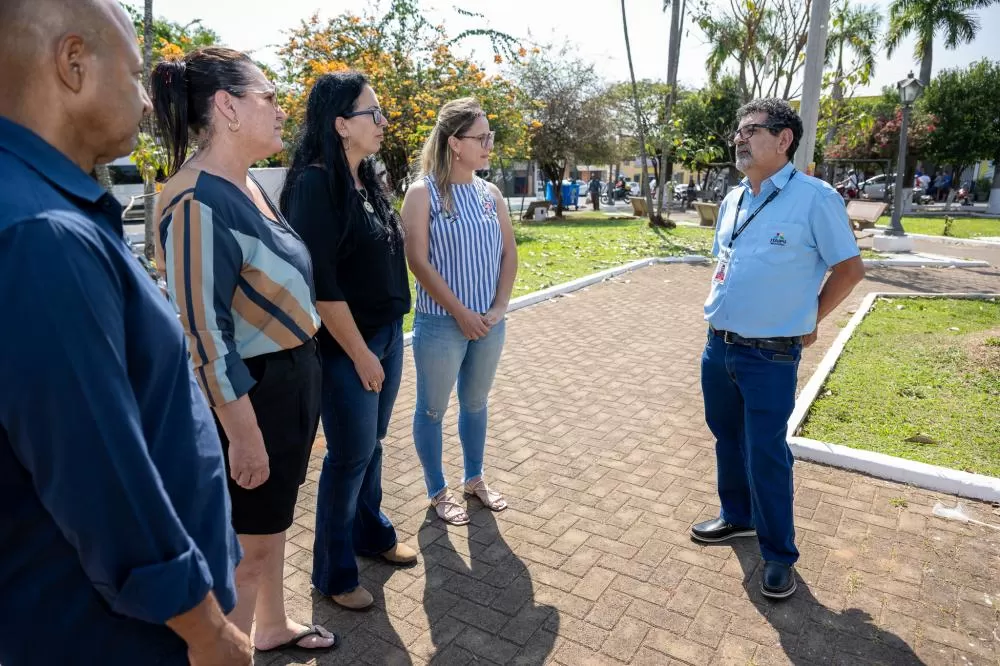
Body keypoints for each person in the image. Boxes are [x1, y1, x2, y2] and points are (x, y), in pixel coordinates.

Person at [0, 1, 251, 664]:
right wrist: (206, 629)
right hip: (124, 638)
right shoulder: (43, 236)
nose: (146, 101)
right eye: (136, 75)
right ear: (73, 63)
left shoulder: (42, 205)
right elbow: (100, 475)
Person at [150, 48, 337, 653]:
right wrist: (245, 434)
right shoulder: (197, 199)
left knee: (271, 525)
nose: (283, 111)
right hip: (253, 392)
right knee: (247, 550)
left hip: (287, 377)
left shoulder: (243, 181)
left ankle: (273, 627)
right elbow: (205, 334)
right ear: (228, 106)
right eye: (270, 97)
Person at [692, 98, 865, 599]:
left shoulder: (815, 198)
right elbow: (729, 263)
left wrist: (811, 318)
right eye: (738, 131)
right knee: (726, 437)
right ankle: (737, 516)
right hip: (718, 346)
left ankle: (778, 554)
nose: (739, 139)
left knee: (766, 451)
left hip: (770, 354)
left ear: (784, 139)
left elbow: (850, 269)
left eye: (751, 130)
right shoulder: (733, 199)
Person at [280, 72, 418, 611]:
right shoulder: (316, 184)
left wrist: (382, 343)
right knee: (348, 456)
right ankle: (333, 574)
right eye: (373, 112)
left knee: (372, 445)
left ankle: (371, 532)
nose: (383, 121)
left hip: (386, 335)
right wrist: (360, 353)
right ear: (340, 124)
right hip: (345, 345)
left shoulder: (366, 178)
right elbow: (321, 285)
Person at [401, 98, 518, 526]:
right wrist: (461, 313)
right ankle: (437, 489)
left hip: (490, 323)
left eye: (490, 136)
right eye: (481, 137)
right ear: (455, 143)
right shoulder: (422, 192)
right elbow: (417, 260)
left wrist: (499, 307)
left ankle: (474, 478)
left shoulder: (491, 195)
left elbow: (509, 254)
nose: (489, 144)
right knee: (431, 409)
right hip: (439, 324)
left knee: (475, 403)